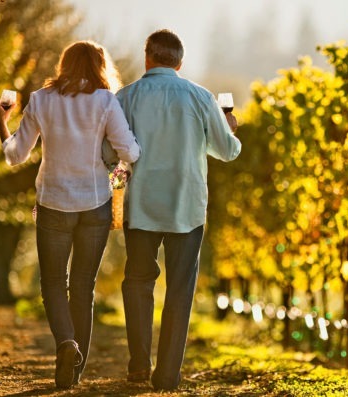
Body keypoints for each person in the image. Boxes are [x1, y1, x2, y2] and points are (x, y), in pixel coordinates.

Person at [0, 40, 140, 388]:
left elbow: (15, 155)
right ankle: (74, 374)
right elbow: (130, 152)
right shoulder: (105, 101)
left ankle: (66, 344)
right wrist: (115, 174)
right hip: (94, 203)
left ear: (64, 65)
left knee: (53, 284)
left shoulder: (41, 100)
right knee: (83, 287)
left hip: (53, 203)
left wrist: (2, 122)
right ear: (99, 66)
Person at [116, 28, 241, 391]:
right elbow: (228, 151)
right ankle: (167, 375)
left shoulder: (126, 97)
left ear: (147, 58)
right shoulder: (200, 97)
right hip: (187, 208)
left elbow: (112, 153)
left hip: (141, 206)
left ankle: (139, 363)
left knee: (137, 283)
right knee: (180, 290)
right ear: (180, 63)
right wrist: (229, 128)